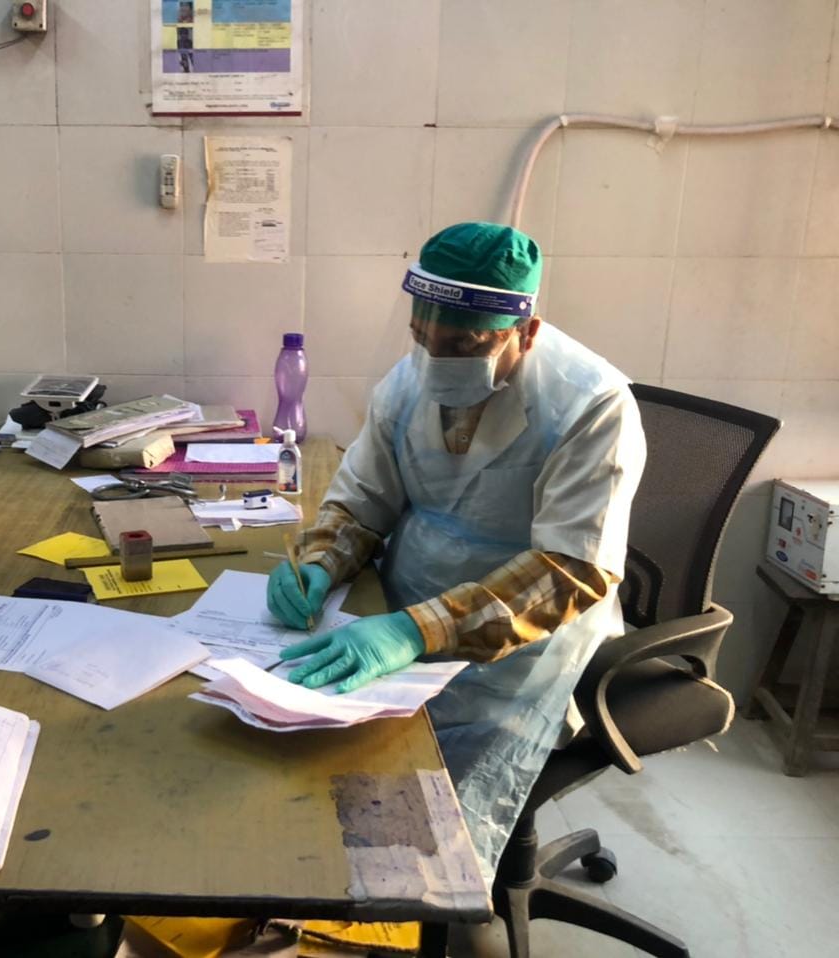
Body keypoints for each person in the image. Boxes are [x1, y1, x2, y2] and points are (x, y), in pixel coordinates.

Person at [265, 221, 646, 876]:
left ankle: (425, 916)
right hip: (402, 603)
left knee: (417, 828)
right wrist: (321, 559)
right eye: (423, 338)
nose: (437, 361)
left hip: (524, 640)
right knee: (315, 757)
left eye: (465, 345)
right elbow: (362, 497)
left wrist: (417, 631)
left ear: (525, 332)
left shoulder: (591, 405)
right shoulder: (410, 381)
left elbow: (570, 572)